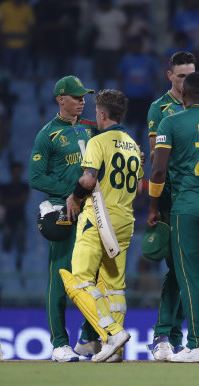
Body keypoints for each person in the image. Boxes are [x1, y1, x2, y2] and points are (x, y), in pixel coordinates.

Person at [147, 72, 199, 363]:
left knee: (187, 275)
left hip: (188, 205)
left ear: (183, 94)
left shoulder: (170, 122)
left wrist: (152, 207)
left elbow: (158, 171)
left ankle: (195, 343)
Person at [61, 89, 143, 363]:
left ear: (103, 114)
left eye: (96, 112)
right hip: (125, 220)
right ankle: (115, 351)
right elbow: (139, 182)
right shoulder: (132, 144)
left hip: (98, 217)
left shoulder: (98, 141)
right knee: (115, 288)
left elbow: (88, 180)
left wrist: (73, 197)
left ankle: (111, 332)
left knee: (81, 280)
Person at [29, 75, 100, 362]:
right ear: (61, 99)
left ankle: (88, 337)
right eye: (76, 96)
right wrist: (71, 193)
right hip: (65, 211)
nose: (83, 101)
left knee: (95, 276)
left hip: (94, 211)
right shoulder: (47, 134)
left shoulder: (93, 129)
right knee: (60, 276)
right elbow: (36, 177)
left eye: (84, 96)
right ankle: (60, 343)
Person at [146, 51, 196, 361]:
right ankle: (162, 335)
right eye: (180, 76)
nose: (186, 81)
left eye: (191, 75)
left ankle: (173, 338)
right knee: (178, 269)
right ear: (169, 77)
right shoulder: (159, 108)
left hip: (193, 196)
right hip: (170, 197)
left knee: (184, 270)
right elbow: (154, 156)